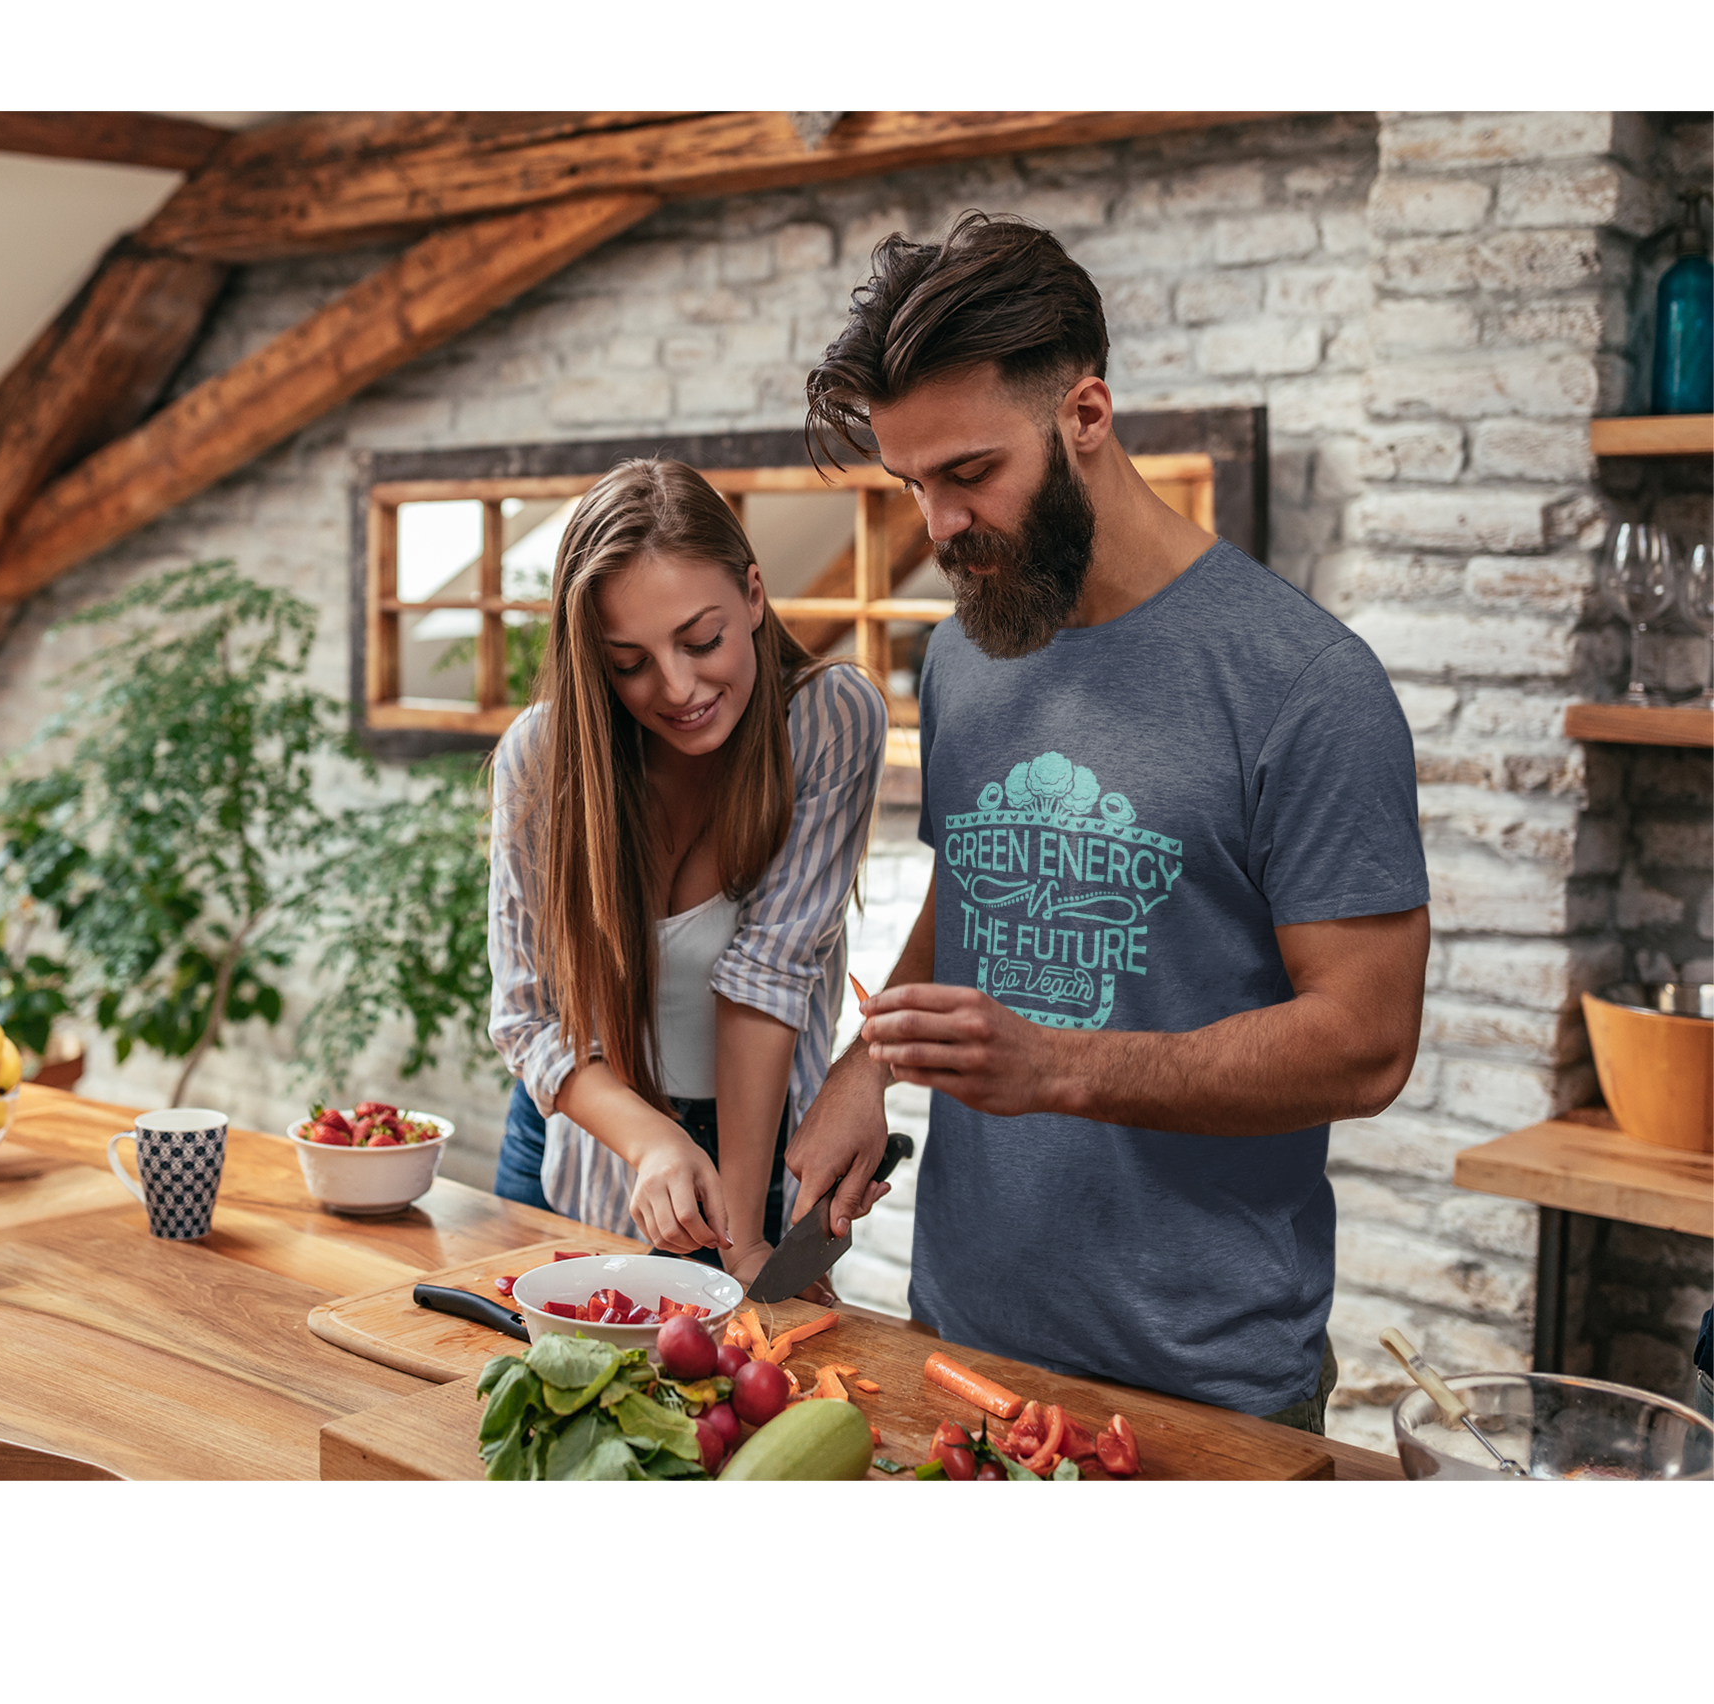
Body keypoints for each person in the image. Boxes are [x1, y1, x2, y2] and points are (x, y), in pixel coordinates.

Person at [786, 212, 1430, 1431]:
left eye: (971, 473)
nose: (938, 526)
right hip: (962, 1344)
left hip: (1204, 1385)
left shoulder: (1304, 685)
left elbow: (1368, 1042)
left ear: (1085, 415)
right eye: (913, 482)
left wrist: (1059, 1067)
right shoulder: (970, 653)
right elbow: (978, 888)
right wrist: (869, 1063)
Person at [488, 457, 888, 1296]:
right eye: (628, 662)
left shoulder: (828, 720)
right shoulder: (541, 758)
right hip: (586, 1148)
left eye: (702, 640)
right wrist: (650, 1139)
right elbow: (526, 1016)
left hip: (760, 1157)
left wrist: (744, 1245)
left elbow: (767, 978)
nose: (677, 689)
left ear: (752, 593)